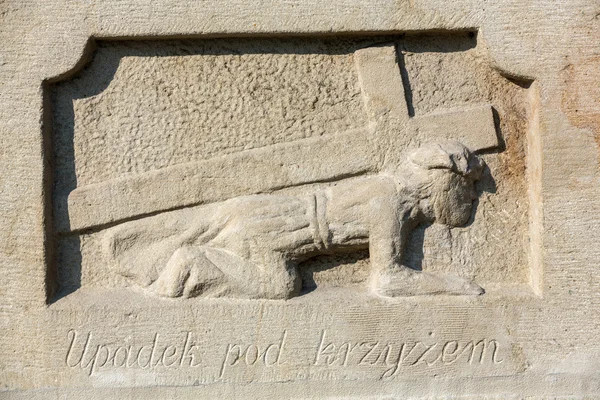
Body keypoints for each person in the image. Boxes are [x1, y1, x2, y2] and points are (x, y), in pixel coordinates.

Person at [105, 140, 485, 299]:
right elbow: (387, 279)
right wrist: (450, 283)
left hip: (268, 218)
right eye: (467, 187)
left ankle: (187, 265)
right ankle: (191, 263)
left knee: (284, 281)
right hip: (272, 231)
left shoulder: (392, 193)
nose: (470, 196)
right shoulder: (391, 202)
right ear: (443, 180)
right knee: (282, 284)